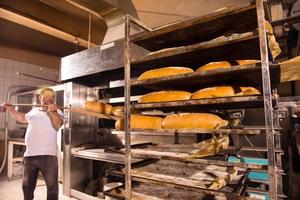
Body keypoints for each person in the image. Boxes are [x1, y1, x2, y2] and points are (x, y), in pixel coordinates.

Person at [2, 88, 63, 200]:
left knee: (52, 188)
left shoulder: (58, 111)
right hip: (30, 155)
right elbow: (22, 118)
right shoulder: (33, 111)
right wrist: (11, 110)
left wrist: (53, 112)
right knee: (27, 187)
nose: (51, 98)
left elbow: (58, 124)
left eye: (53, 96)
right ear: (40, 97)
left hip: (48, 156)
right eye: (48, 95)